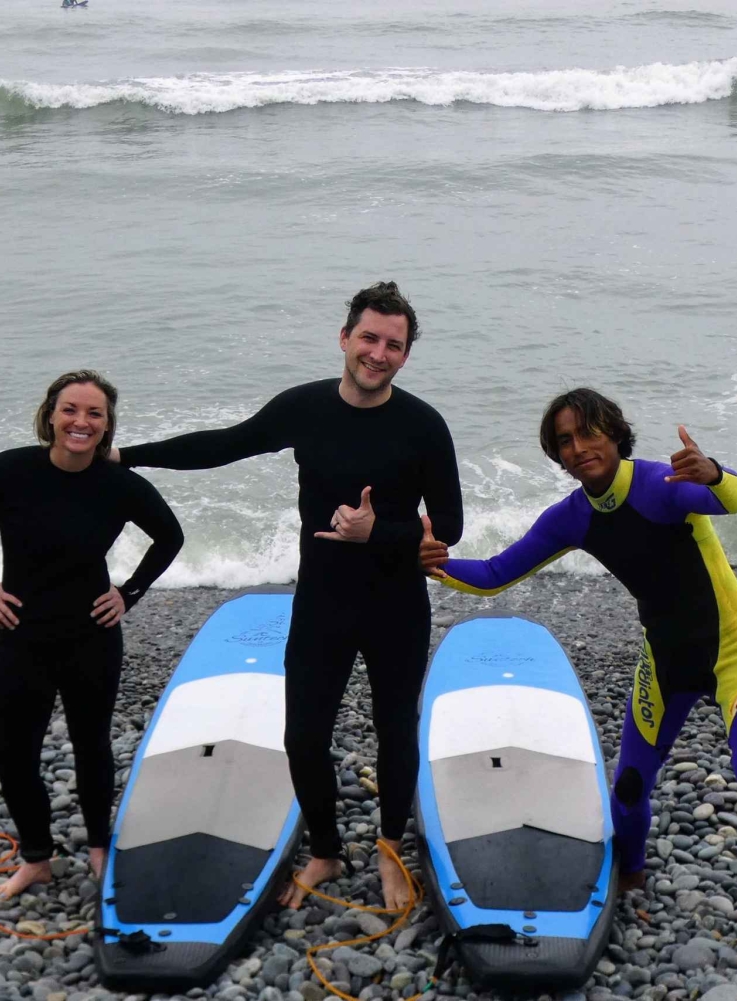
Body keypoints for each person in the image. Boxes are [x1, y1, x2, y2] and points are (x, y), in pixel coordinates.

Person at [421, 388, 737, 982]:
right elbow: (494, 575)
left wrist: (712, 471)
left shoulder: (663, 485)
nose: (580, 448)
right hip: (664, 660)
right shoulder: (575, 517)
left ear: (614, 434)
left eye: (589, 433)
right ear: (556, 454)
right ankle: (629, 879)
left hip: (732, 653)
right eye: (565, 440)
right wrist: (429, 561)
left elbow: (734, 498)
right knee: (629, 789)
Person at [110, 282, 463, 910]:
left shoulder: (424, 426)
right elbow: (223, 445)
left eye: (394, 345)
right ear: (345, 338)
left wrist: (376, 530)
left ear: (406, 355)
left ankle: (387, 849)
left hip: (396, 606)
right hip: (323, 602)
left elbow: (451, 526)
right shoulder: (304, 408)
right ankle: (325, 850)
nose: (378, 353)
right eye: (369, 338)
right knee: (302, 735)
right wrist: (125, 456)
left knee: (395, 732)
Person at [0, 370, 184, 900]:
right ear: (50, 414)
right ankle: (37, 858)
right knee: (14, 756)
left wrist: (128, 594)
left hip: (92, 635)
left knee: (92, 745)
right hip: (23, 635)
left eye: (94, 413)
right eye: (70, 410)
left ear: (108, 425)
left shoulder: (120, 485)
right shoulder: (10, 471)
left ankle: (97, 847)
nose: (80, 422)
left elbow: (170, 537)